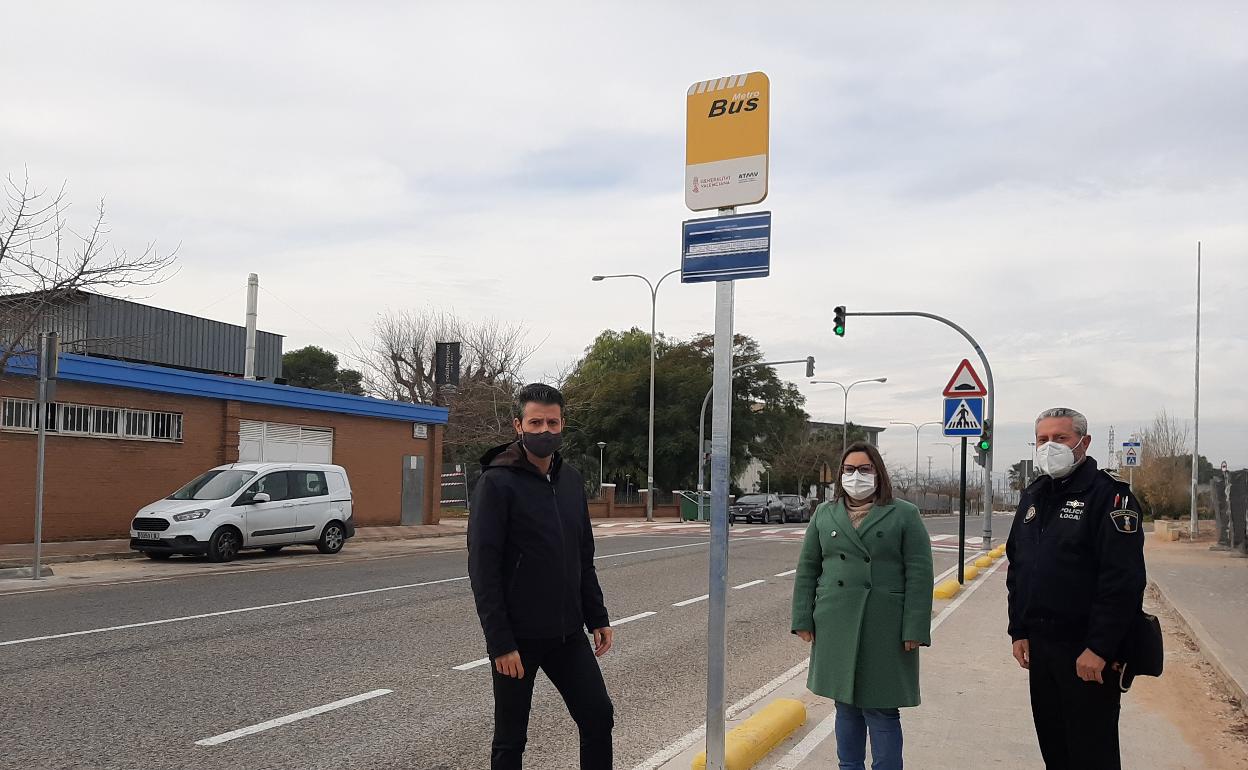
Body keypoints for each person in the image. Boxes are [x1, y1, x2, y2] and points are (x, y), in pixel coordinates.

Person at [468, 383, 614, 769]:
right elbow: (483, 570)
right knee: (511, 740)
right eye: (536, 422)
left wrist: (596, 616)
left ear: (562, 423)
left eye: (552, 422)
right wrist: (500, 642)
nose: (545, 430)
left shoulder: (570, 481)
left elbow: (583, 555)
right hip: (518, 640)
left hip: (568, 634)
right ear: (519, 425)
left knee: (598, 716)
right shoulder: (497, 482)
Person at [1006, 407, 1146, 769]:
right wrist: (1018, 629)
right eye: (1042, 439)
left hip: (1087, 653)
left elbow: (1123, 581)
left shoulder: (1109, 497)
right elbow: (1018, 567)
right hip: (1041, 648)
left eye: (1060, 438)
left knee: (1091, 754)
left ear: (1084, 442)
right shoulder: (1035, 494)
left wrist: (1099, 648)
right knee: (1056, 749)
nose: (1049, 446)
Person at [791, 441, 934, 770]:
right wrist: (803, 618)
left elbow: (919, 574)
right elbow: (808, 568)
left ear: (878, 473)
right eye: (849, 469)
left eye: (864, 469)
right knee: (845, 706)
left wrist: (915, 627)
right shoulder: (825, 514)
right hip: (835, 621)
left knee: (881, 708)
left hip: (884, 623)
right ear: (840, 475)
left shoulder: (904, 514)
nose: (856, 475)